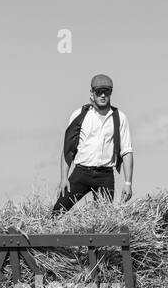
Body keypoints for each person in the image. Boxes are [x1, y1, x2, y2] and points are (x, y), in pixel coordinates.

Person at [53, 73, 134, 214]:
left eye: (106, 92)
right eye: (99, 92)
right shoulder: (79, 115)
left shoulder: (120, 117)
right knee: (57, 211)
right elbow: (68, 149)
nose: (103, 95)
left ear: (111, 93)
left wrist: (128, 183)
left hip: (105, 176)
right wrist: (63, 178)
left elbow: (126, 151)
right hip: (81, 173)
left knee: (104, 220)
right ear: (92, 93)